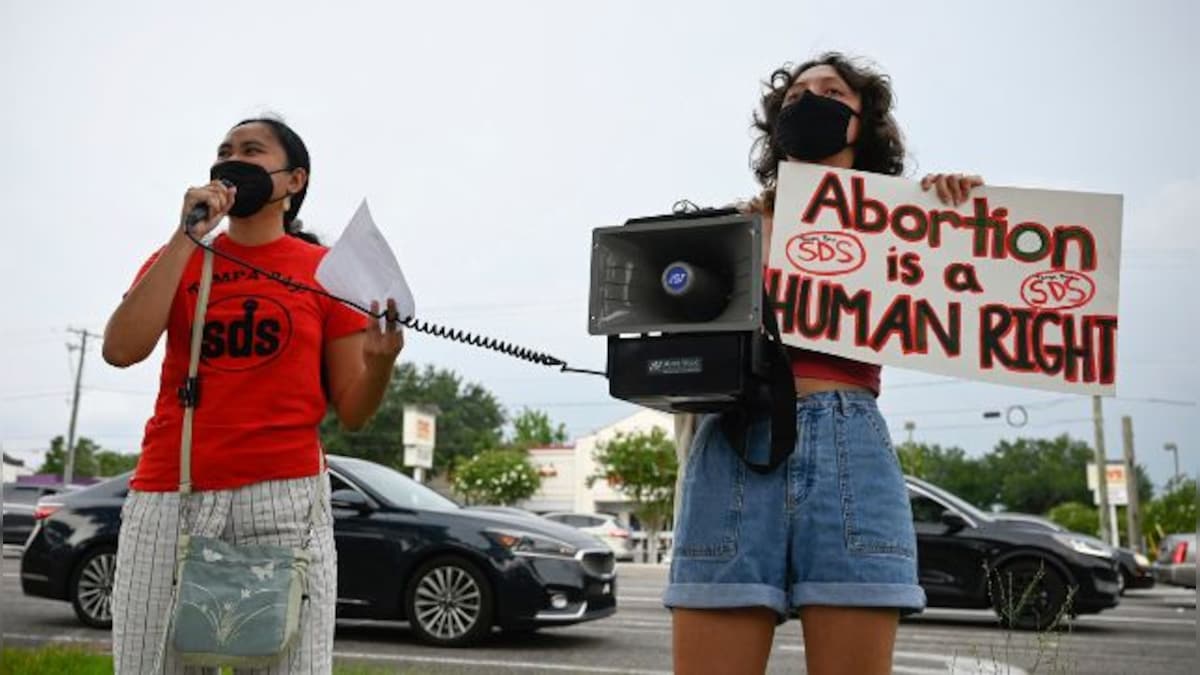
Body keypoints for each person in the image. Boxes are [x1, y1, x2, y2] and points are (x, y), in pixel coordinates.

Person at [665, 53, 983, 675]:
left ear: (864, 123)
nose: (809, 101)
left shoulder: (903, 219)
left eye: (831, 91)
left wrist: (958, 212)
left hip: (849, 440)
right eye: (793, 97)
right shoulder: (734, 227)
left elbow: (969, 285)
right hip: (736, 438)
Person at [103, 117, 403, 674]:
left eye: (251, 149)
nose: (230, 160)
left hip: (283, 498)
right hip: (172, 490)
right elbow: (121, 349)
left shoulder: (327, 271)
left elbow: (355, 410)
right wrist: (186, 236)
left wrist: (380, 362)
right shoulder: (182, 255)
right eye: (222, 152)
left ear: (293, 181)